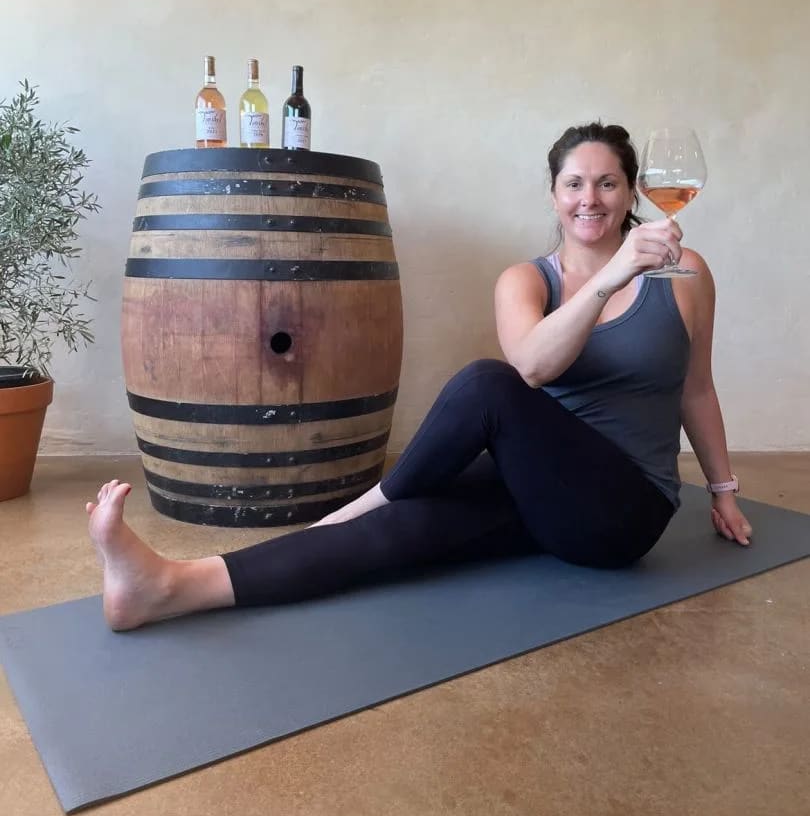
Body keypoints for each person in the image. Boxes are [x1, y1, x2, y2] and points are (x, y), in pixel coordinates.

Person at [87, 121, 752, 631]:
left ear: (632, 192)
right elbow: (536, 363)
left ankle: (365, 500)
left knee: (486, 385)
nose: (590, 198)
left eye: (607, 183)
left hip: (622, 512)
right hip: (542, 488)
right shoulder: (525, 281)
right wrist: (611, 277)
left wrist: (722, 492)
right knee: (401, 530)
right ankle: (168, 587)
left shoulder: (686, 274)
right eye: (574, 183)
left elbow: (696, 387)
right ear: (553, 195)